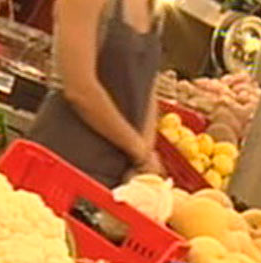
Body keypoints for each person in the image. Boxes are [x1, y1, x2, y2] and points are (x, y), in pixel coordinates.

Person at [29, 0, 162, 187]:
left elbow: (149, 86)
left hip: (115, 178)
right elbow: (80, 90)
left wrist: (146, 152)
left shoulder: (151, 6)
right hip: (62, 163)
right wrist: (138, 150)